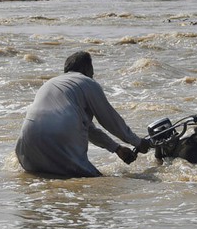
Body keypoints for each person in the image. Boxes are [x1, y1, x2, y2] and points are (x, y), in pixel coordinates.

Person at [15, 51, 149, 178]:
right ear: (86, 69)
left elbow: (88, 129)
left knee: (47, 182)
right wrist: (137, 142)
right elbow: (110, 120)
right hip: (60, 138)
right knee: (96, 181)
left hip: (26, 146)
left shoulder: (50, 83)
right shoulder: (87, 82)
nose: (92, 76)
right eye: (92, 73)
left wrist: (117, 148)